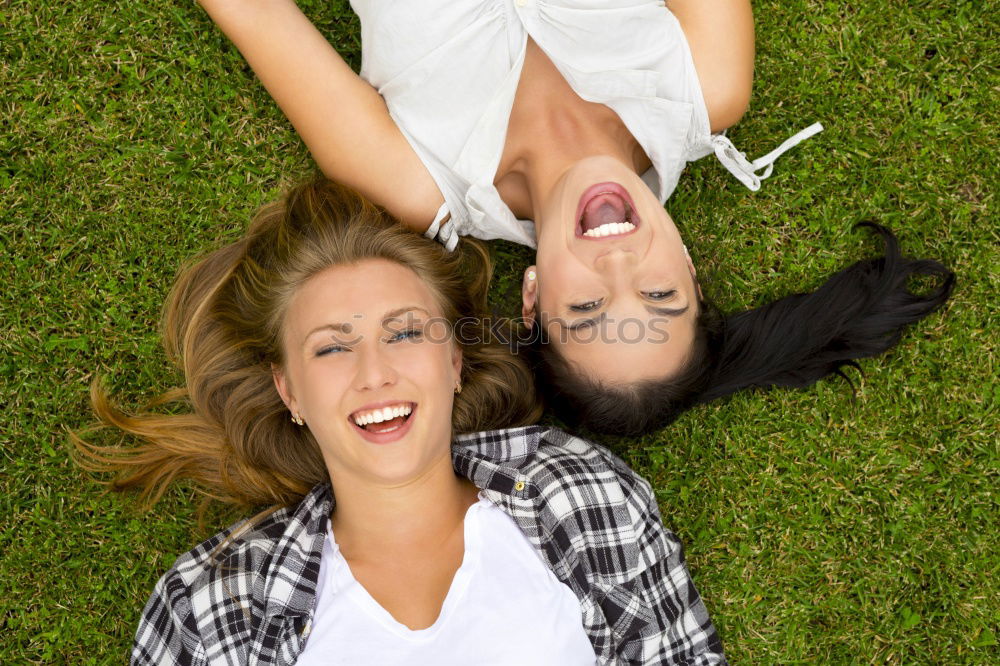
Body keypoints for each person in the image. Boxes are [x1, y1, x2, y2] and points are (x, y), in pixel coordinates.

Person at [194, 1, 953, 437]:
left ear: (531, 300)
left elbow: (256, 14)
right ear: (689, 267)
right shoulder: (705, 81)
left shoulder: (415, 179)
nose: (618, 264)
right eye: (661, 295)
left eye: (586, 309)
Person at [74, 179, 727, 664]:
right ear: (288, 391)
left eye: (405, 332)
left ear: (453, 361)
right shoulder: (210, 606)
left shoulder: (581, 496)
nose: (374, 373)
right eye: (331, 346)